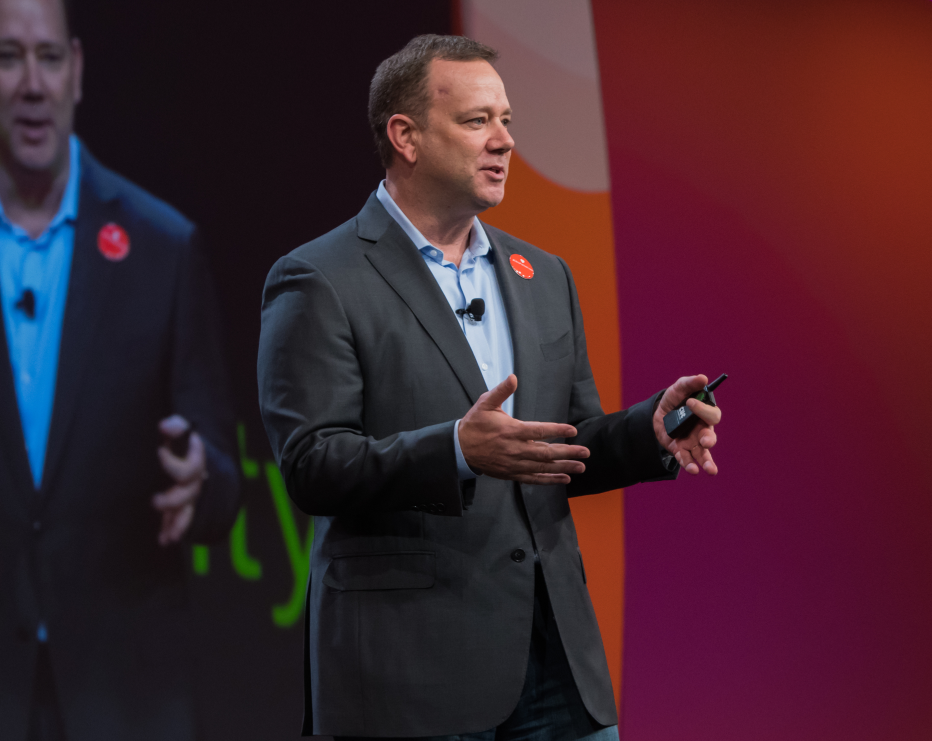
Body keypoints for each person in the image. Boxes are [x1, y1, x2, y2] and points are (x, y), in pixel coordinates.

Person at [257, 34, 722, 740]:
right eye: (477, 121)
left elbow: (562, 444)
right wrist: (454, 449)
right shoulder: (320, 278)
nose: (504, 141)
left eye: (506, 120)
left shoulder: (544, 276)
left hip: (556, 665)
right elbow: (312, 465)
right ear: (405, 136)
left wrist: (645, 432)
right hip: (410, 675)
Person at [0, 0, 241, 738]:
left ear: (77, 71)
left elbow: (222, 476)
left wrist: (199, 478)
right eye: (7, 57)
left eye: (47, 57)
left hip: (124, 692)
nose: (31, 84)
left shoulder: (159, 247)